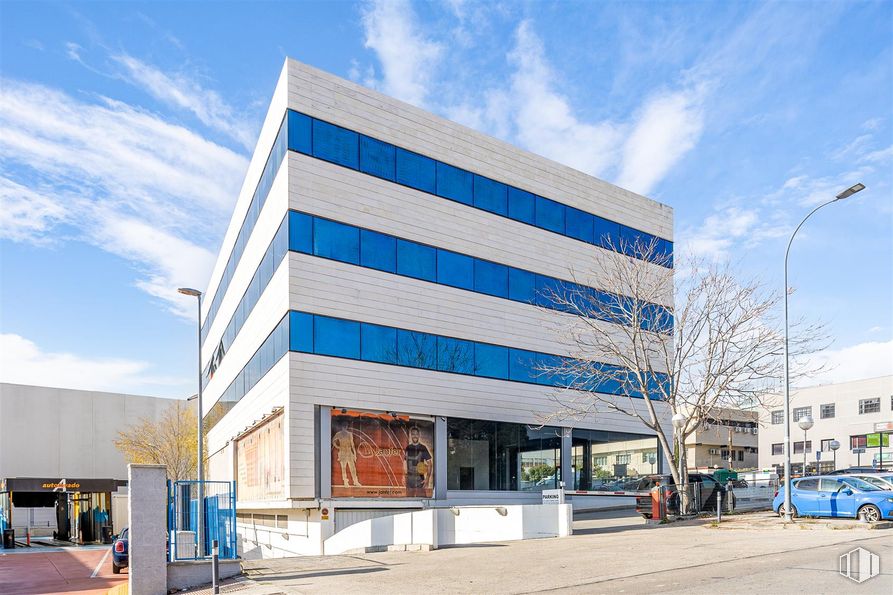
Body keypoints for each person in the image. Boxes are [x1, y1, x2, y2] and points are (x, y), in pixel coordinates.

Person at [404, 426, 432, 497]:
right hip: (409, 480)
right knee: (409, 501)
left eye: (416, 434)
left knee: (422, 500)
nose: (415, 436)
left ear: (419, 435)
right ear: (411, 435)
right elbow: (404, 462)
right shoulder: (407, 448)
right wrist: (404, 477)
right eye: (413, 434)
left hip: (420, 479)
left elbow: (430, 463)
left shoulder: (423, 448)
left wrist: (427, 479)